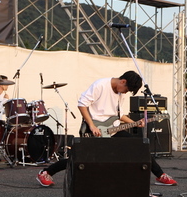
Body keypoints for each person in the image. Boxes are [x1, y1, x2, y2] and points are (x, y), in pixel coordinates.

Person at [36, 71, 176, 187]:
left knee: (139, 147)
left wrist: (134, 122)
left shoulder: (120, 94)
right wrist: (91, 125)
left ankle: (160, 175)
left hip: (113, 130)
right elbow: (82, 104)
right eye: (127, 90)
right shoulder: (100, 85)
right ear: (123, 81)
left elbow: (119, 115)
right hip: (94, 129)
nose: (126, 93)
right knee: (79, 158)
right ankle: (46, 172)